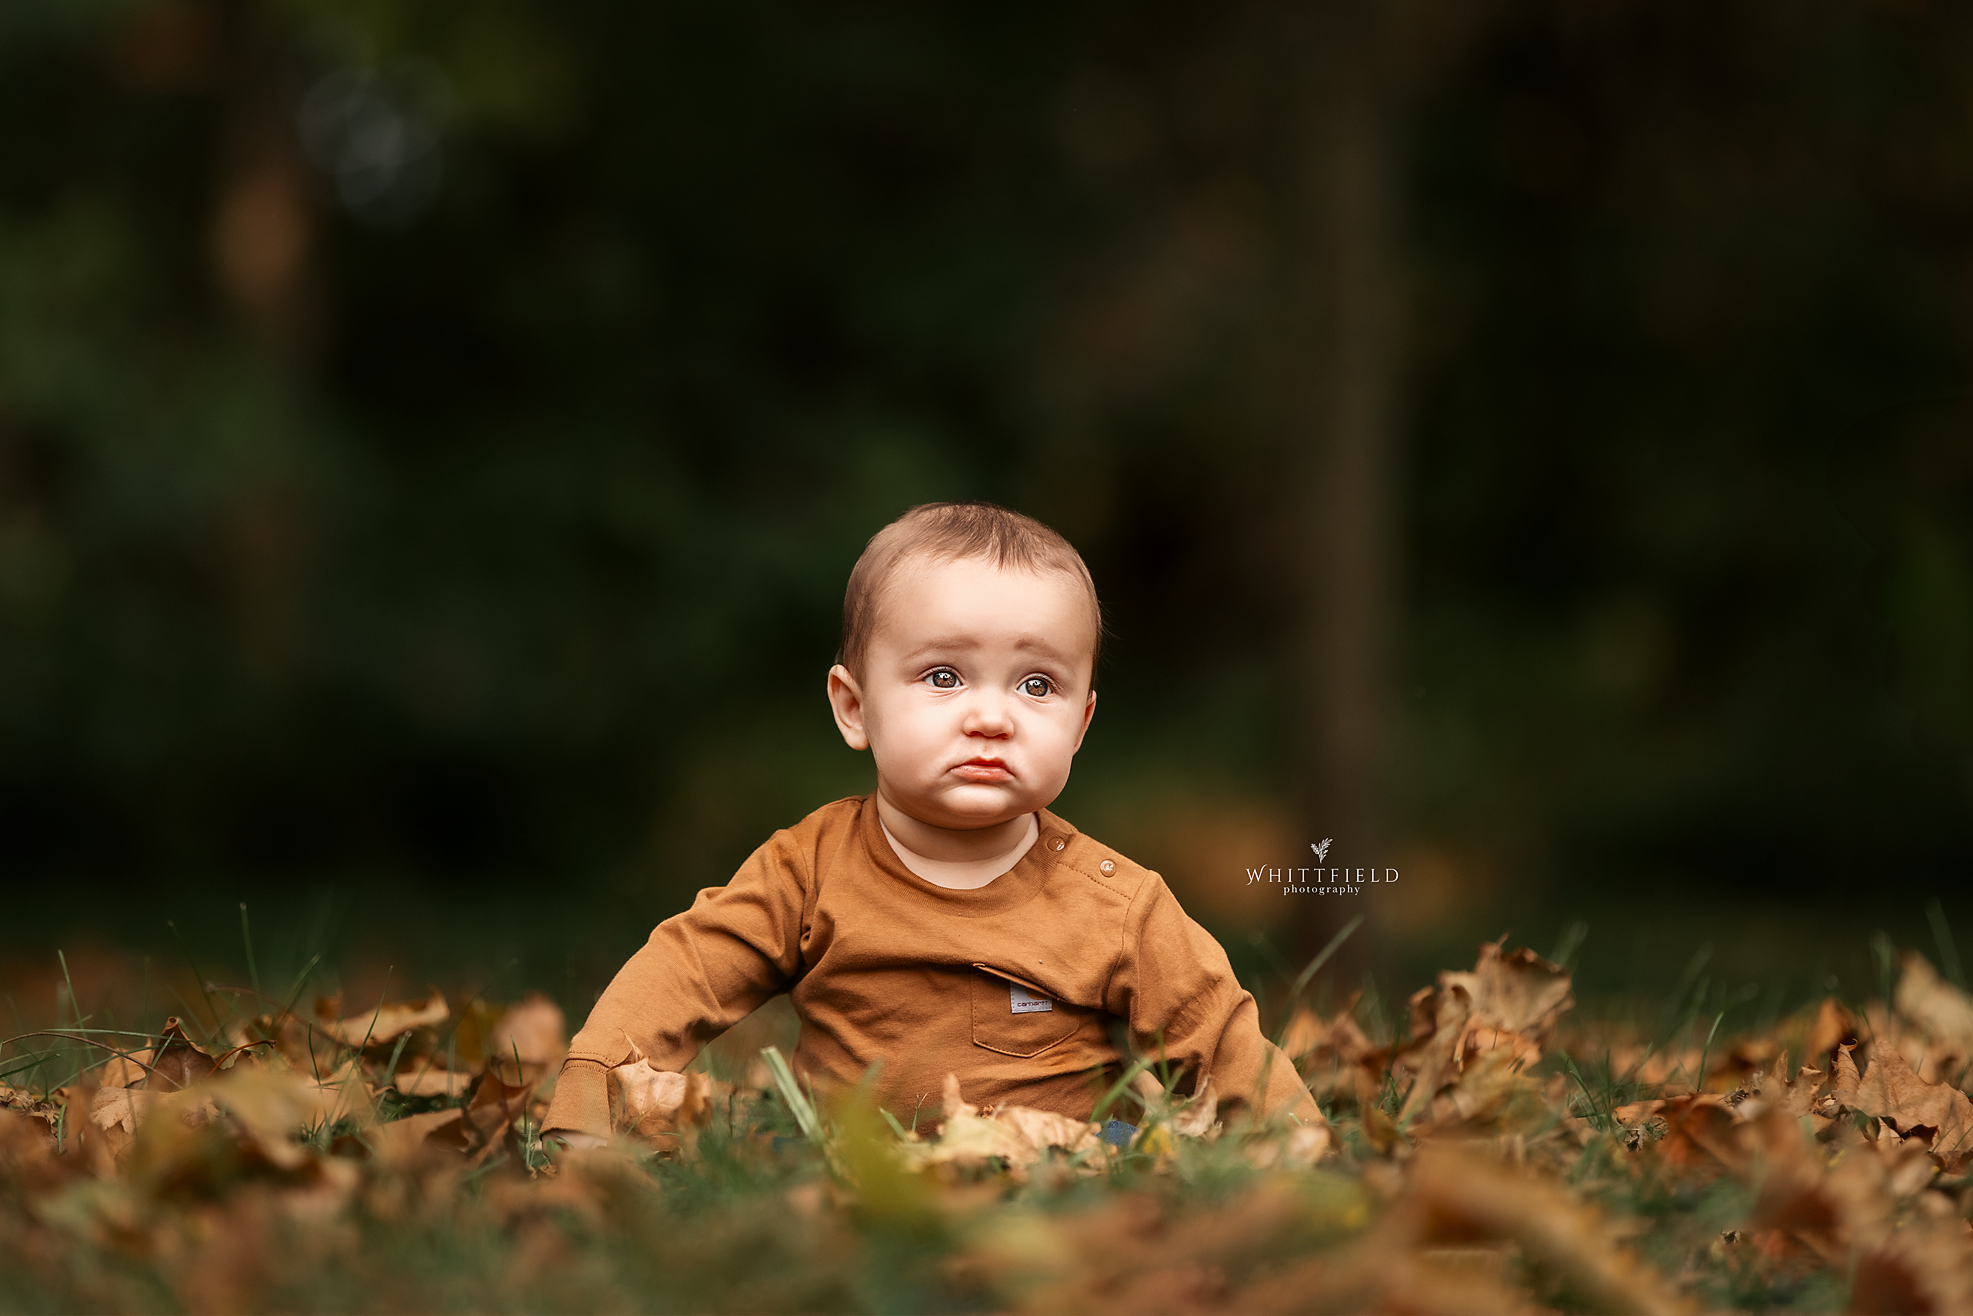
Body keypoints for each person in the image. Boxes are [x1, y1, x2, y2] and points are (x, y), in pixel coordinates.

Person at [541, 502, 1323, 1147]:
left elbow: (1214, 1033)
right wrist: (587, 1107)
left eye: (1036, 684)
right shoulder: (808, 868)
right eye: (943, 676)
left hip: (1060, 1169)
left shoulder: (1116, 903)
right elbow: (683, 973)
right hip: (849, 1164)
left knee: (1136, 1154)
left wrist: (1290, 1143)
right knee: (765, 1147)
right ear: (854, 707)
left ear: (1080, 726)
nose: (991, 716)